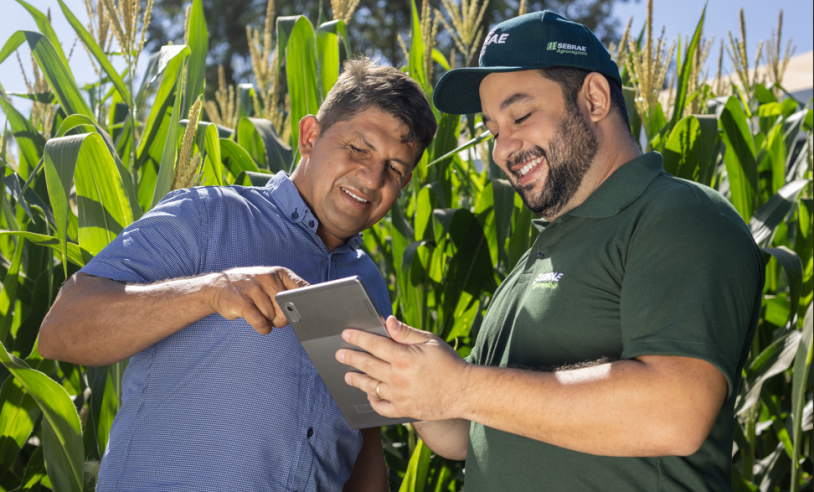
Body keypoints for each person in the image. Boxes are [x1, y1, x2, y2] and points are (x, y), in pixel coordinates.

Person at [336, 11, 764, 492]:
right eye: (493, 129)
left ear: (595, 99)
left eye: (520, 116)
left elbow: (676, 413)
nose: (501, 150)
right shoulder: (536, 256)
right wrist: (417, 387)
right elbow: (468, 432)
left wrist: (460, 386)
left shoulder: (678, 216)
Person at [39, 57, 437, 492]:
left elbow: (364, 440)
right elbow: (61, 330)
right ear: (310, 136)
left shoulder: (369, 283)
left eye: (395, 169)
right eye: (358, 148)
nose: (371, 176)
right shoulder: (207, 215)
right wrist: (210, 290)